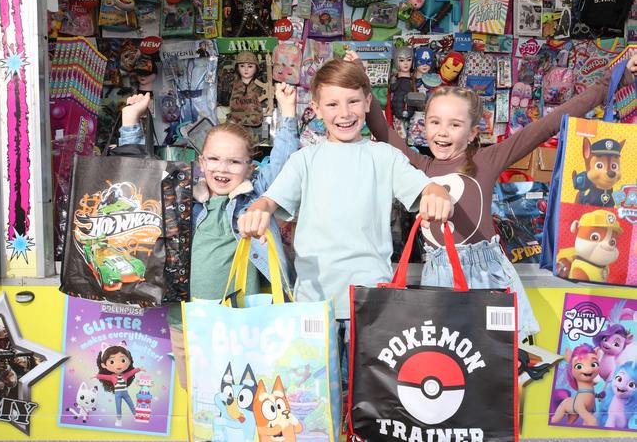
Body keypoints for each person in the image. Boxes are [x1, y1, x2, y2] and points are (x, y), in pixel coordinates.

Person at [363, 52, 637, 342]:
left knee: (496, 367)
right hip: (438, 277)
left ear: (472, 133)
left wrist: (615, 78)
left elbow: (551, 122)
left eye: (454, 125)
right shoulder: (419, 166)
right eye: (434, 122)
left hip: (485, 275)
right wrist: (359, 81)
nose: (442, 133)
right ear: (425, 125)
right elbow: (382, 130)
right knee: (446, 360)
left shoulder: (487, 160)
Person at [237, 58, 452, 400]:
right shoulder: (304, 159)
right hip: (313, 303)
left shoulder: (384, 157)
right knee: (311, 397)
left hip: (368, 304)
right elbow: (270, 199)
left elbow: (423, 186)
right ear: (317, 108)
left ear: (368, 102)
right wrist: (258, 210)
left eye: (353, 101)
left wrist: (437, 191)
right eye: (333, 104)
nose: (345, 112)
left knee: (366, 397)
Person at [118, 85, 300, 389]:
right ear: (201, 163)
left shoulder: (253, 198)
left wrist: (288, 113)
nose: (222, 169)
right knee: (200, 399)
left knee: (244, 397)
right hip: (187, 323)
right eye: (214, 160)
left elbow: (284, 165)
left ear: (249, 168)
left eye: (234, 162)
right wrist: (130, 124)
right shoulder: (182, 197)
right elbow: (139, 177)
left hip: (242, 324)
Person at [94, 342, 143, 426]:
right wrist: (96, 376)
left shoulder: (125, 375)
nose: (119, 364)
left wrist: (140, 369)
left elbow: (132, 371)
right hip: (118, 395)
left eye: (123, 360)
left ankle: (136, 416)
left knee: (131, 405)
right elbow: (103, 376)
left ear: (129, 360)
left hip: (126, 394)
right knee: (118, 407)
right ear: (104, 365)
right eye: (112, 361)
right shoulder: (112, 377)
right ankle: (119, 420)